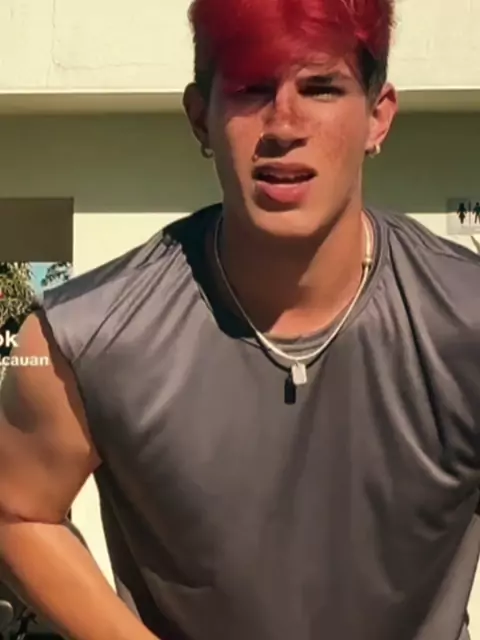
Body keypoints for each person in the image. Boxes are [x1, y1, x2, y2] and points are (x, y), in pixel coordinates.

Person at [0, 0, 478, 639]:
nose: (284, 124)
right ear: (201, 117)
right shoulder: (83, 338)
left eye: (321, 87)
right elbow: (19, 510)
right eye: (252, 89)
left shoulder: (465, 319)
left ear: (378, 115)